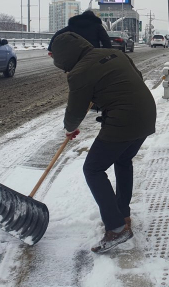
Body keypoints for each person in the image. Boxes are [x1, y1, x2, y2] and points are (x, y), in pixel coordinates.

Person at [50, 31, 156, 253]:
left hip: (124, 120)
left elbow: (75, 110)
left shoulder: (79, 72)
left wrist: (70, 128)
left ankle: (117, 228)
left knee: (93, 169)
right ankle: (123, 215)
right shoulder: (113, 53)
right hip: (146, 115)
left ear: (65, 57)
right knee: (123, 159)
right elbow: (135, 79)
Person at [47, 9, 112, 52]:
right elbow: (105, 39)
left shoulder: (73, 25)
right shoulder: (97, 26)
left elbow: (58, 34)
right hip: (92, 51)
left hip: (75, 52)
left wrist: (50, 48)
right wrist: (108, 51)